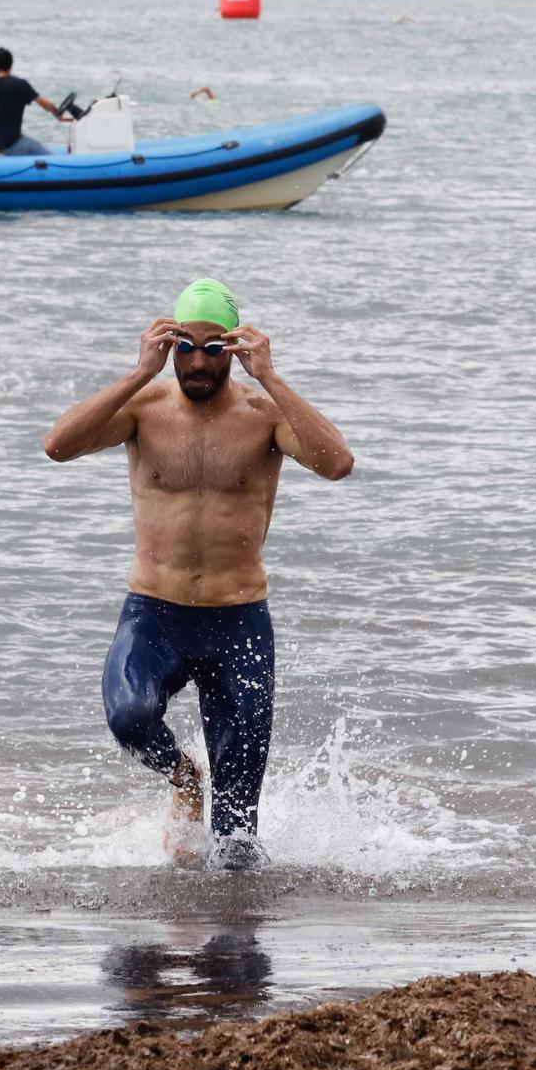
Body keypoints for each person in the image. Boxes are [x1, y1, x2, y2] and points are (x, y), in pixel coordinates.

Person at [41, 279, 354, 870]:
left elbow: (337, 463)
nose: (199, 360)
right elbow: (58, 445)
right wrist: (138, 373)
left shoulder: (265, 417)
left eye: (215, 348)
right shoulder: (143, 411)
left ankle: (232, 944)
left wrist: (271, 377)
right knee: (129, 716)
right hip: (154, 614)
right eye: (186, 345)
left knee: (237, 840)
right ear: (170, 345)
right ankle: (184, 775)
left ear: (235, 350)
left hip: (239, 623)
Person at [0, 48, 64, 156]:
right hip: (13, 144)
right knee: (51, 160)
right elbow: (46, 105)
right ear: (11, 64)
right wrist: (56, 112)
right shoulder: (19, 84)